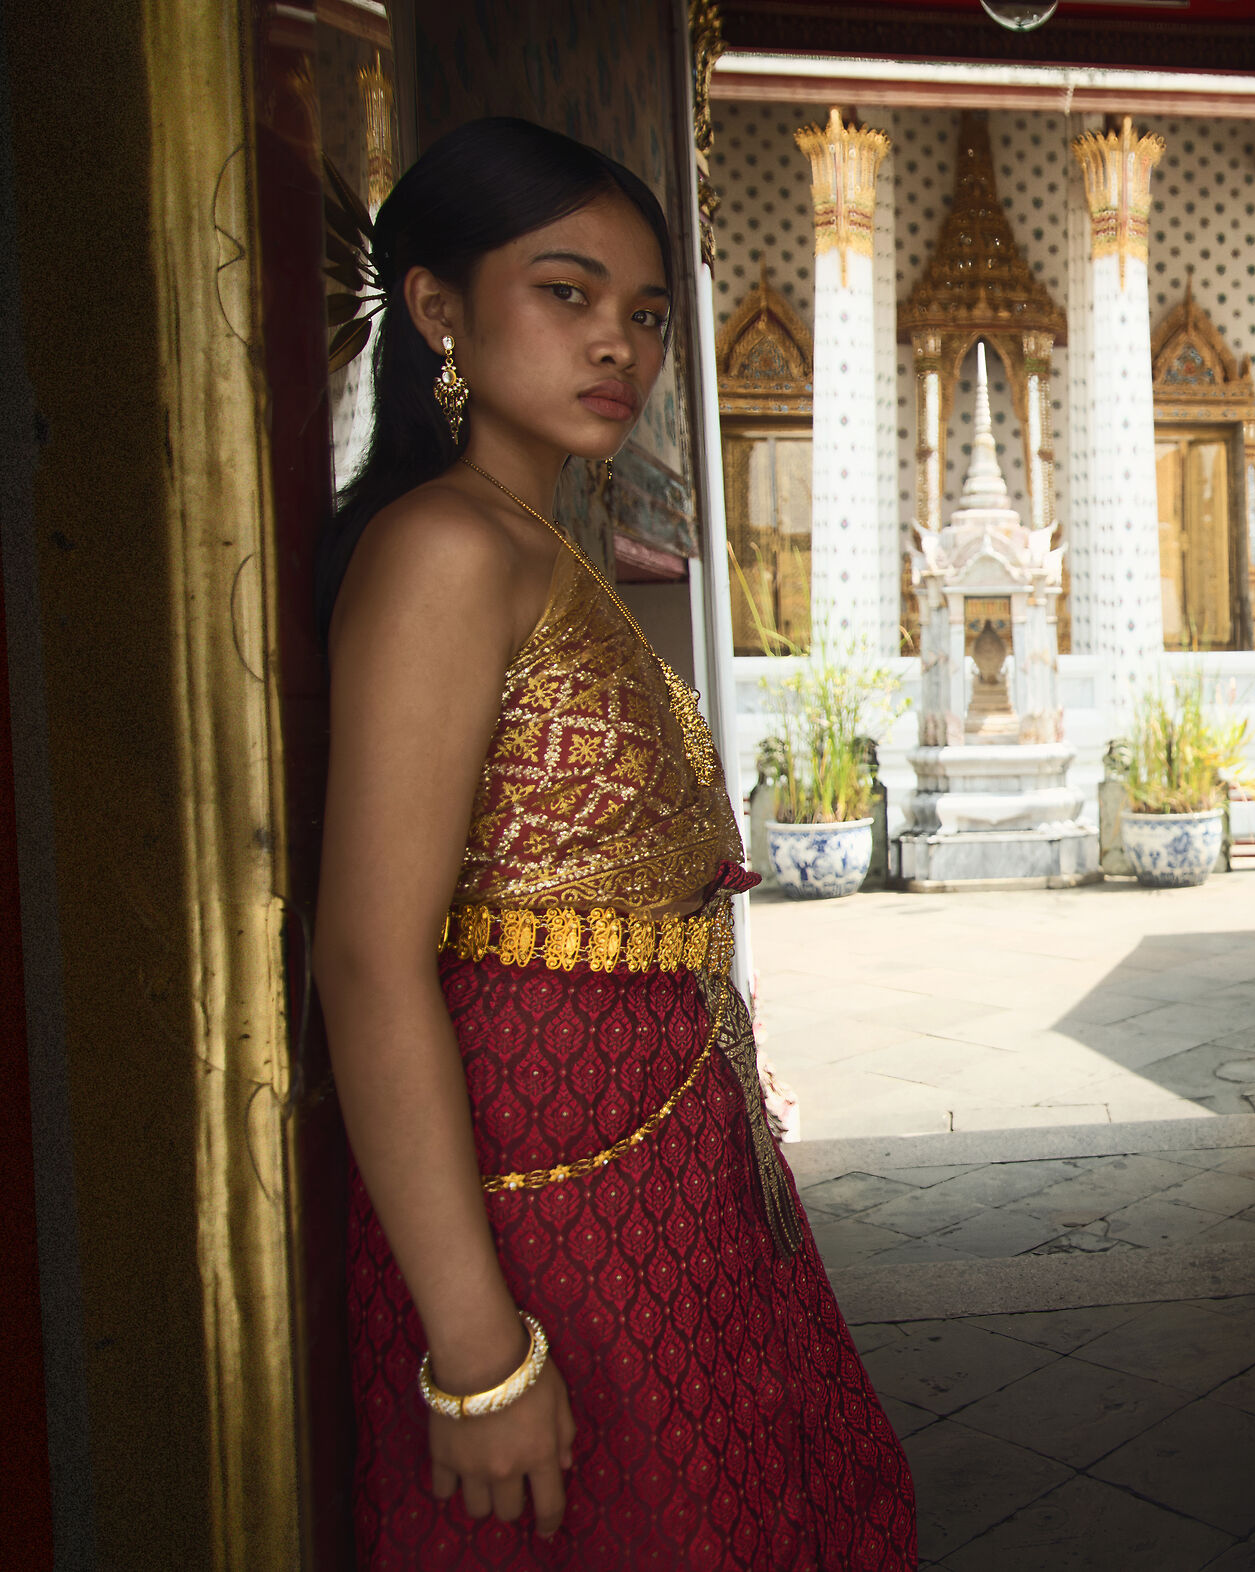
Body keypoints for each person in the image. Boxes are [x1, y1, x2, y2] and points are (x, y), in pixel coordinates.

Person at [314, 117, 915, 1567]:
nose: (620, 350)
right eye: (566, 293)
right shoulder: (445, 549)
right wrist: (479, 1350)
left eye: (645, 315)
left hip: (660, 1174)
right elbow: (367, 959)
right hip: (539, 1205)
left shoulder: (537, 548)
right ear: (441, 307)